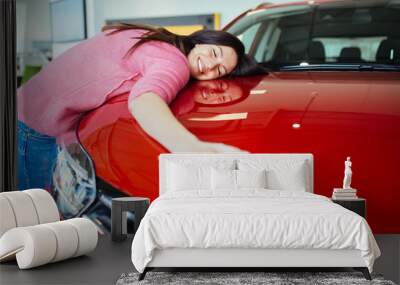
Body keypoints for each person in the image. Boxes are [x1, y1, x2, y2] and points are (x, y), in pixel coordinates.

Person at [17, 23, 267, 191]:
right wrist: (192, 147)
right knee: (34, 222)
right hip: (32, 130)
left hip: (24, 106)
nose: (209, 67)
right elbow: (145, 99)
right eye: (214, 53)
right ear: (202, 41)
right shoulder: (173, 62)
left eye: (219, 71)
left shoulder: (150, 35)